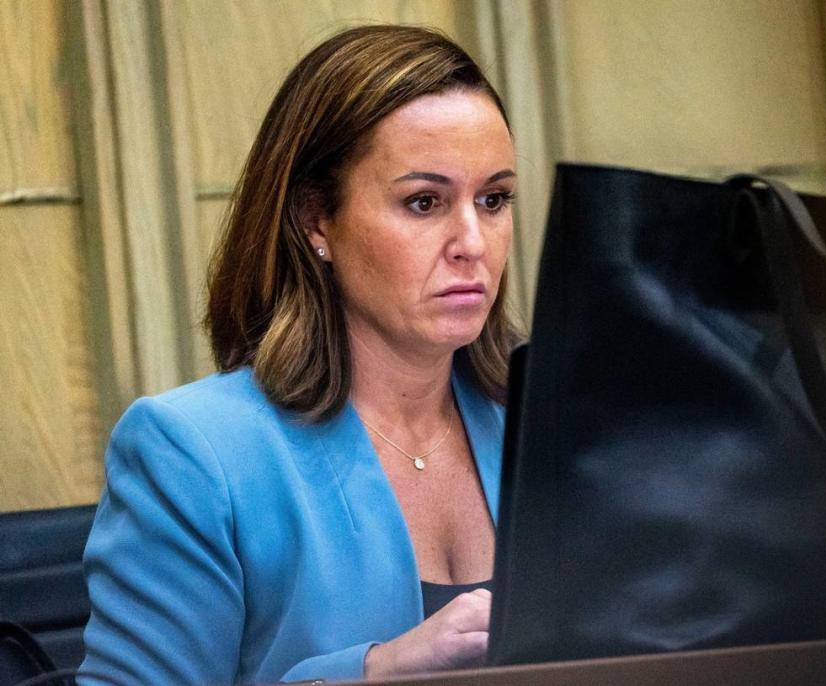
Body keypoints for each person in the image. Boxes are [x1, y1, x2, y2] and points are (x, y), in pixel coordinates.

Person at [79, 24, 519, 685]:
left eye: (494, 199)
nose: (472, 242)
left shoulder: (547, 426)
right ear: (316, 220)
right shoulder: (193, 453)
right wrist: (373, 672)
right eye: (424, 202)